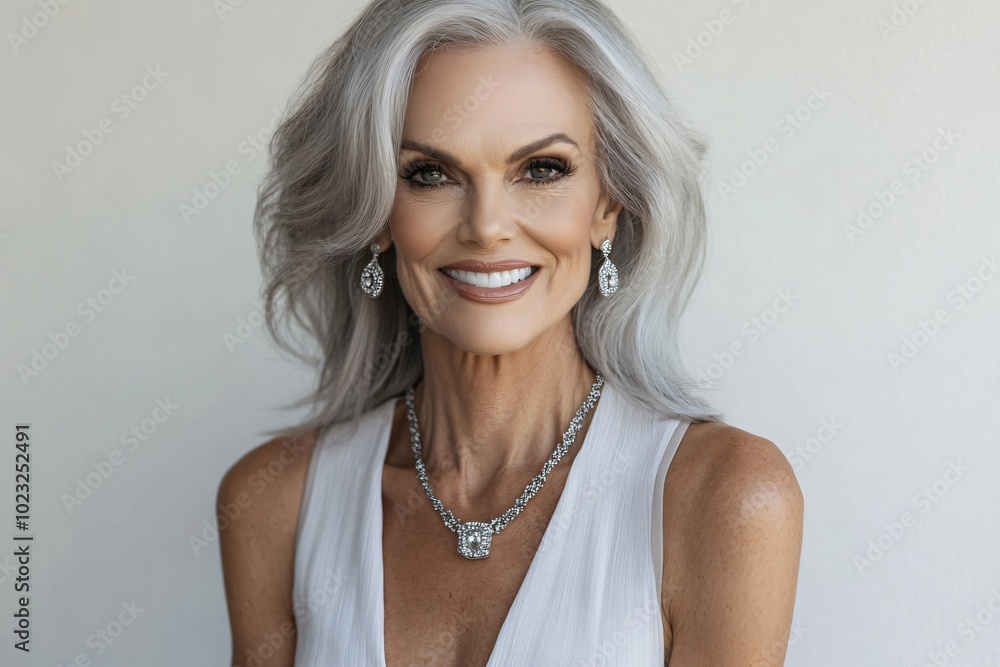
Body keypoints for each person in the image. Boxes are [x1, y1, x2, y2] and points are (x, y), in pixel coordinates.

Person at [217, 0, 803, 665]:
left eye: (542, 169)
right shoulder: (273, 502)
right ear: (377, 211)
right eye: (430, 173)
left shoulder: (724, 497)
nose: (487, 225)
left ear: (606, 204)